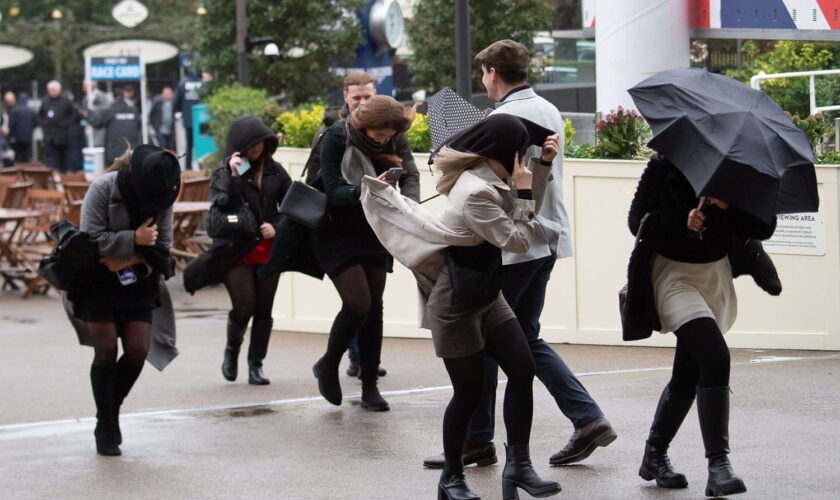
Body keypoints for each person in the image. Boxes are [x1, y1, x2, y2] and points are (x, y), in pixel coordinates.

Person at [424, 39, 616, 470]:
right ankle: (581, 420)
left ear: (492, 72)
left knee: (494, 337)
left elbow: (505, 190)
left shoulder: (504, 119)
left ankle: (482, 439)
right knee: (522, 336)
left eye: (483, 73)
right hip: (546, 238)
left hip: (517, 242)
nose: (482, 80)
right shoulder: (547, 110)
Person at [361, 113, 562, 499]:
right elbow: (518, 241)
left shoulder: (492, 179)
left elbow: (524, 212)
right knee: (469, 391)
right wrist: (523, 190)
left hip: (486, 292)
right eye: (523, 152)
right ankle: (452, 478)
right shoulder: (476, 192)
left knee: (522, 369)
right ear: (504, 153)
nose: (525, 157)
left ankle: (519, 466)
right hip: (456, 301)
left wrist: (543, 166)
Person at [628, 154, 778, 497]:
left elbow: (764, 227)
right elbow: (637, 220)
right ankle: (718, 465)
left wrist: (727, 207)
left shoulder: (743, 170)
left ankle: (654, 454)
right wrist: (683, 219)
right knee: (715, 357)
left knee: (688, 372)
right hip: (672, 276)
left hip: (714, 276)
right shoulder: (665, 163)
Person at [69, 144, 180, 456]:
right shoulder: (103, 188)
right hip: (95, 279)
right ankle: (106, 424)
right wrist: (136, 240)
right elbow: (90, 240)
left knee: (136, 351)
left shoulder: (163, 193)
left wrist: (129, 259)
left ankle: (108, 412)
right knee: (105, 350)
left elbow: (165, 246)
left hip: (137, 280)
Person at [310, 95, 419, 412]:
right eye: (382, 134)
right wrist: (369, 187)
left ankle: (370, 385)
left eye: (390, 135)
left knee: (374, 307)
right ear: (367, 125)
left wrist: (409, 203)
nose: (387, 139)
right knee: (358, 303)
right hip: (335, 228)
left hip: (374, 226)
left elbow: (410, 173)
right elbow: (332, 190)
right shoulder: (337, 136)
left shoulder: (395, 134)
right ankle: (328, 364)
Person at [183, 115, 291, 385]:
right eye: (251, 145)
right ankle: (232, 352)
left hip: (267, 248)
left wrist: (277, 226)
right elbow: (222, 204)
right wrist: (233, 175)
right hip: (236, 250)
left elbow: (292, 205)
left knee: (264, 310)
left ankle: (256, 364)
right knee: (244, 306)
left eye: (261, 144)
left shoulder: (275, 171)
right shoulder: (224, 172)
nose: (256, 149)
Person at [88, 86, 142, 167]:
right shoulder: (133, 110)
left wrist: (90, 112)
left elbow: (97, 123)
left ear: (113, 98)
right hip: (131, 150)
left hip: (114, 151)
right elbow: (139, 125)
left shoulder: (111, 110)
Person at [174, 71, 212, 169]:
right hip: (203, 120)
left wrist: (180, 112)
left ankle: (188, 168)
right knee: (203, 144)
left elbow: (175, 102)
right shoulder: (204, 84)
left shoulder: (182, 84)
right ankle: (204, 167)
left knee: (189, 145)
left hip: (188, 119)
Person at [39, 80, 76, 172]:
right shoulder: (45, 101)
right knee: (50, 158)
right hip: (49, 135)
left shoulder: (66, 101)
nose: (52, 91)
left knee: (63, 159)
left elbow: (73, 114)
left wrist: (66, 123)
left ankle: (63, 174)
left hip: (62, 135)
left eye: (54, 89)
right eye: (50, 89)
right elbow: (40, 115)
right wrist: (44, 124)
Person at [6, 92, 39, 163]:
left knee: (18, 157)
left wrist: (10, 136)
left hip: (16, 138)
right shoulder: (31, 111)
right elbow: (37, 123)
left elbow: (11, 124)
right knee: (26, 156)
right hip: (28, 138)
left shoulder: (15, 111)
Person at [81, 80, 113, 148]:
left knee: (99, 145)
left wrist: (90, 113)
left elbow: (106, 110)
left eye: (84, 86)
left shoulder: (101, 96)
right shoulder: (86, 98)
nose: (83, 88)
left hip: (99, 127)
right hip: (90, 126)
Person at [149, 86, 176, 151]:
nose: (168, 96)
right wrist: (154, 126)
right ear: (162, 94)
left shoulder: (174, 102)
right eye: (166, 94)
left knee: (171, 147)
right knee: (162, 146)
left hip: (172, 129)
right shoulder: (157, 101)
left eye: (169, 94)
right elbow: (151, 114)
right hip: (161, 129)